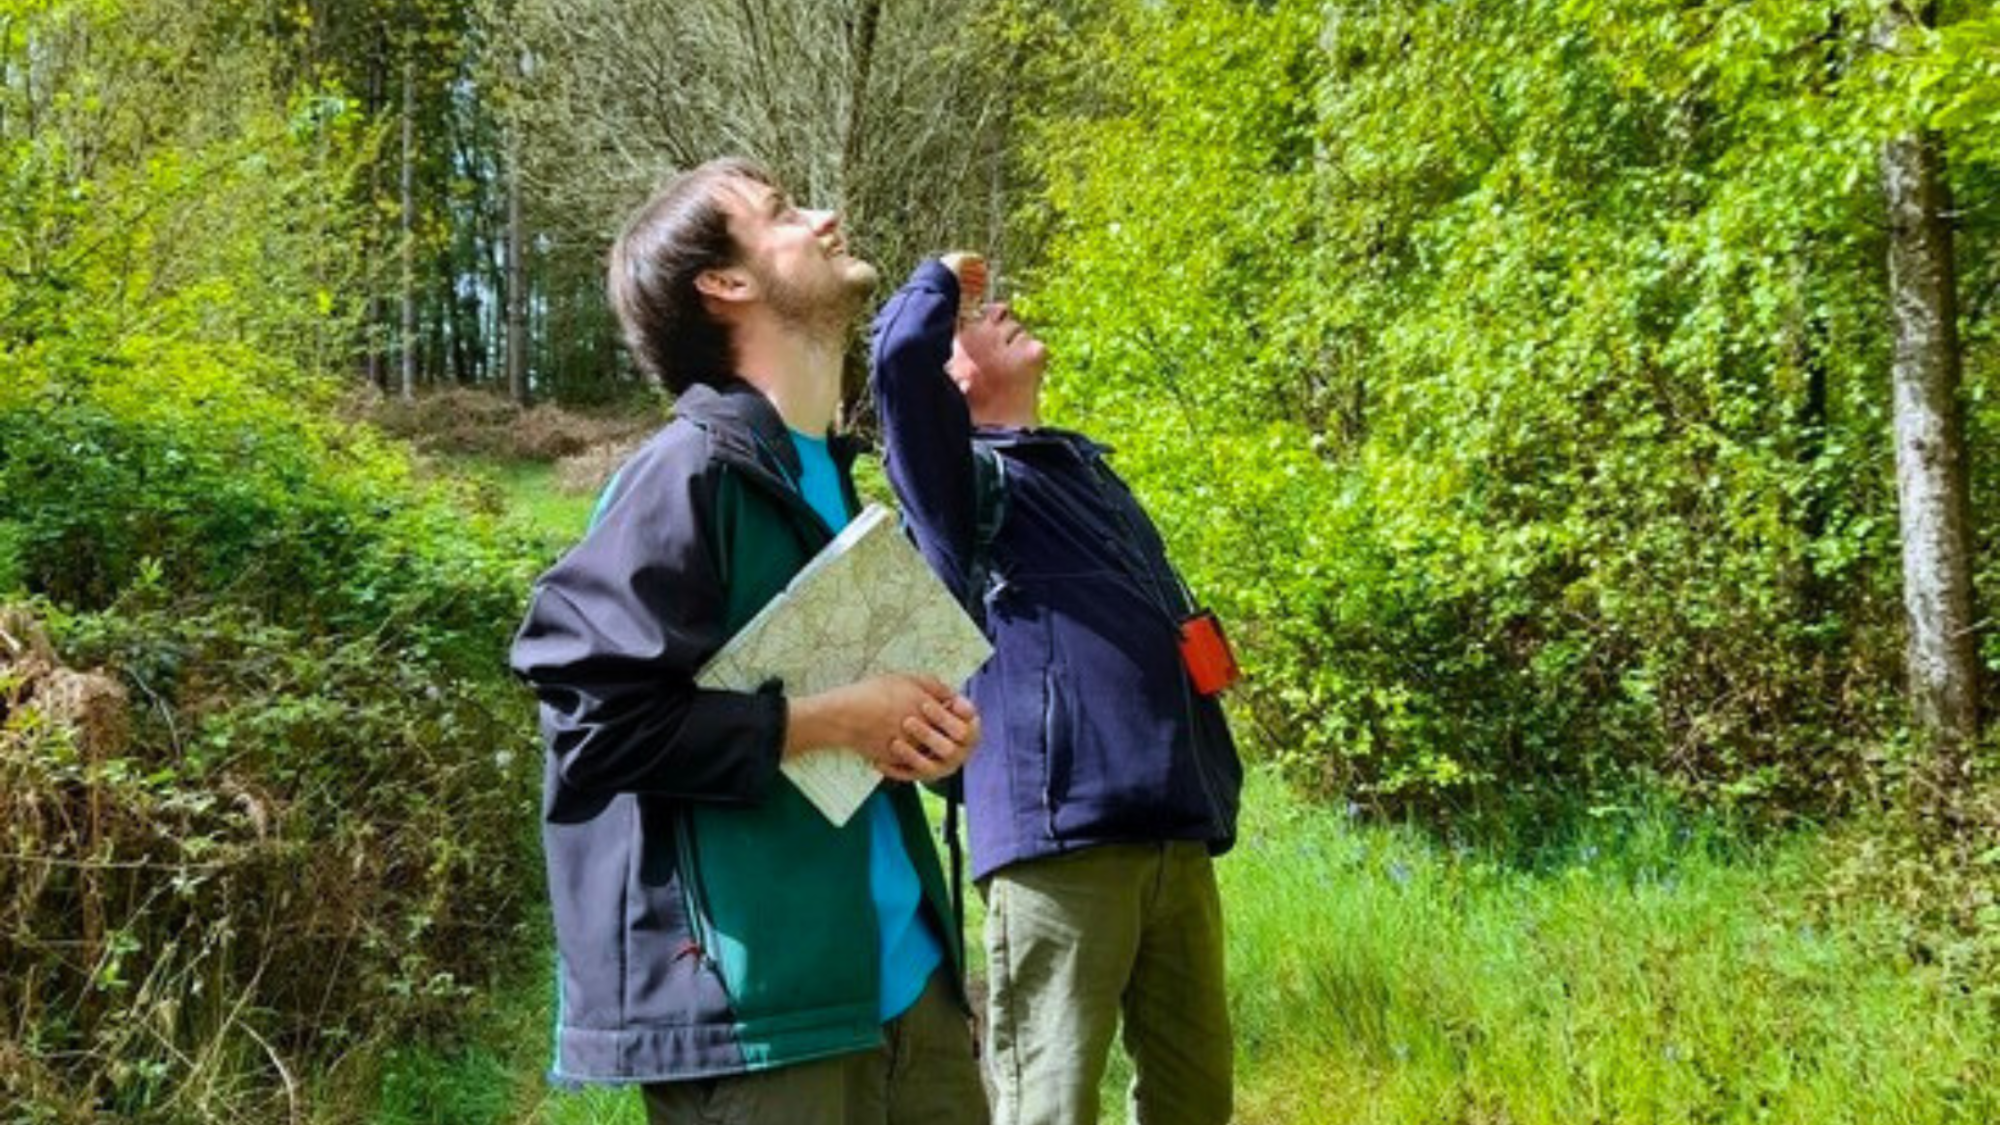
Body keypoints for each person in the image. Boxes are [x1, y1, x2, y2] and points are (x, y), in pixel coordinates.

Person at [510, 157, 990, 1125]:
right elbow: (592, 727)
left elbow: (861, 747)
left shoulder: (833, 479)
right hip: (767, 1030)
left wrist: (930, 742)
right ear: (724, 283)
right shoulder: (682, 475)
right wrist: (823, 722)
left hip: (914, 998)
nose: (824, 217)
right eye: (779, 212)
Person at [870, 253, 1244, 1125]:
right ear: (952, 383)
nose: (997, 309)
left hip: (1177, 837)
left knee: (1199, 1100)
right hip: (1058, 842)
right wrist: (936, 284)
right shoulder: (964, 481)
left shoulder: (1081, 471)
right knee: (1050, 1105)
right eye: (972, 322)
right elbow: (894, 365)